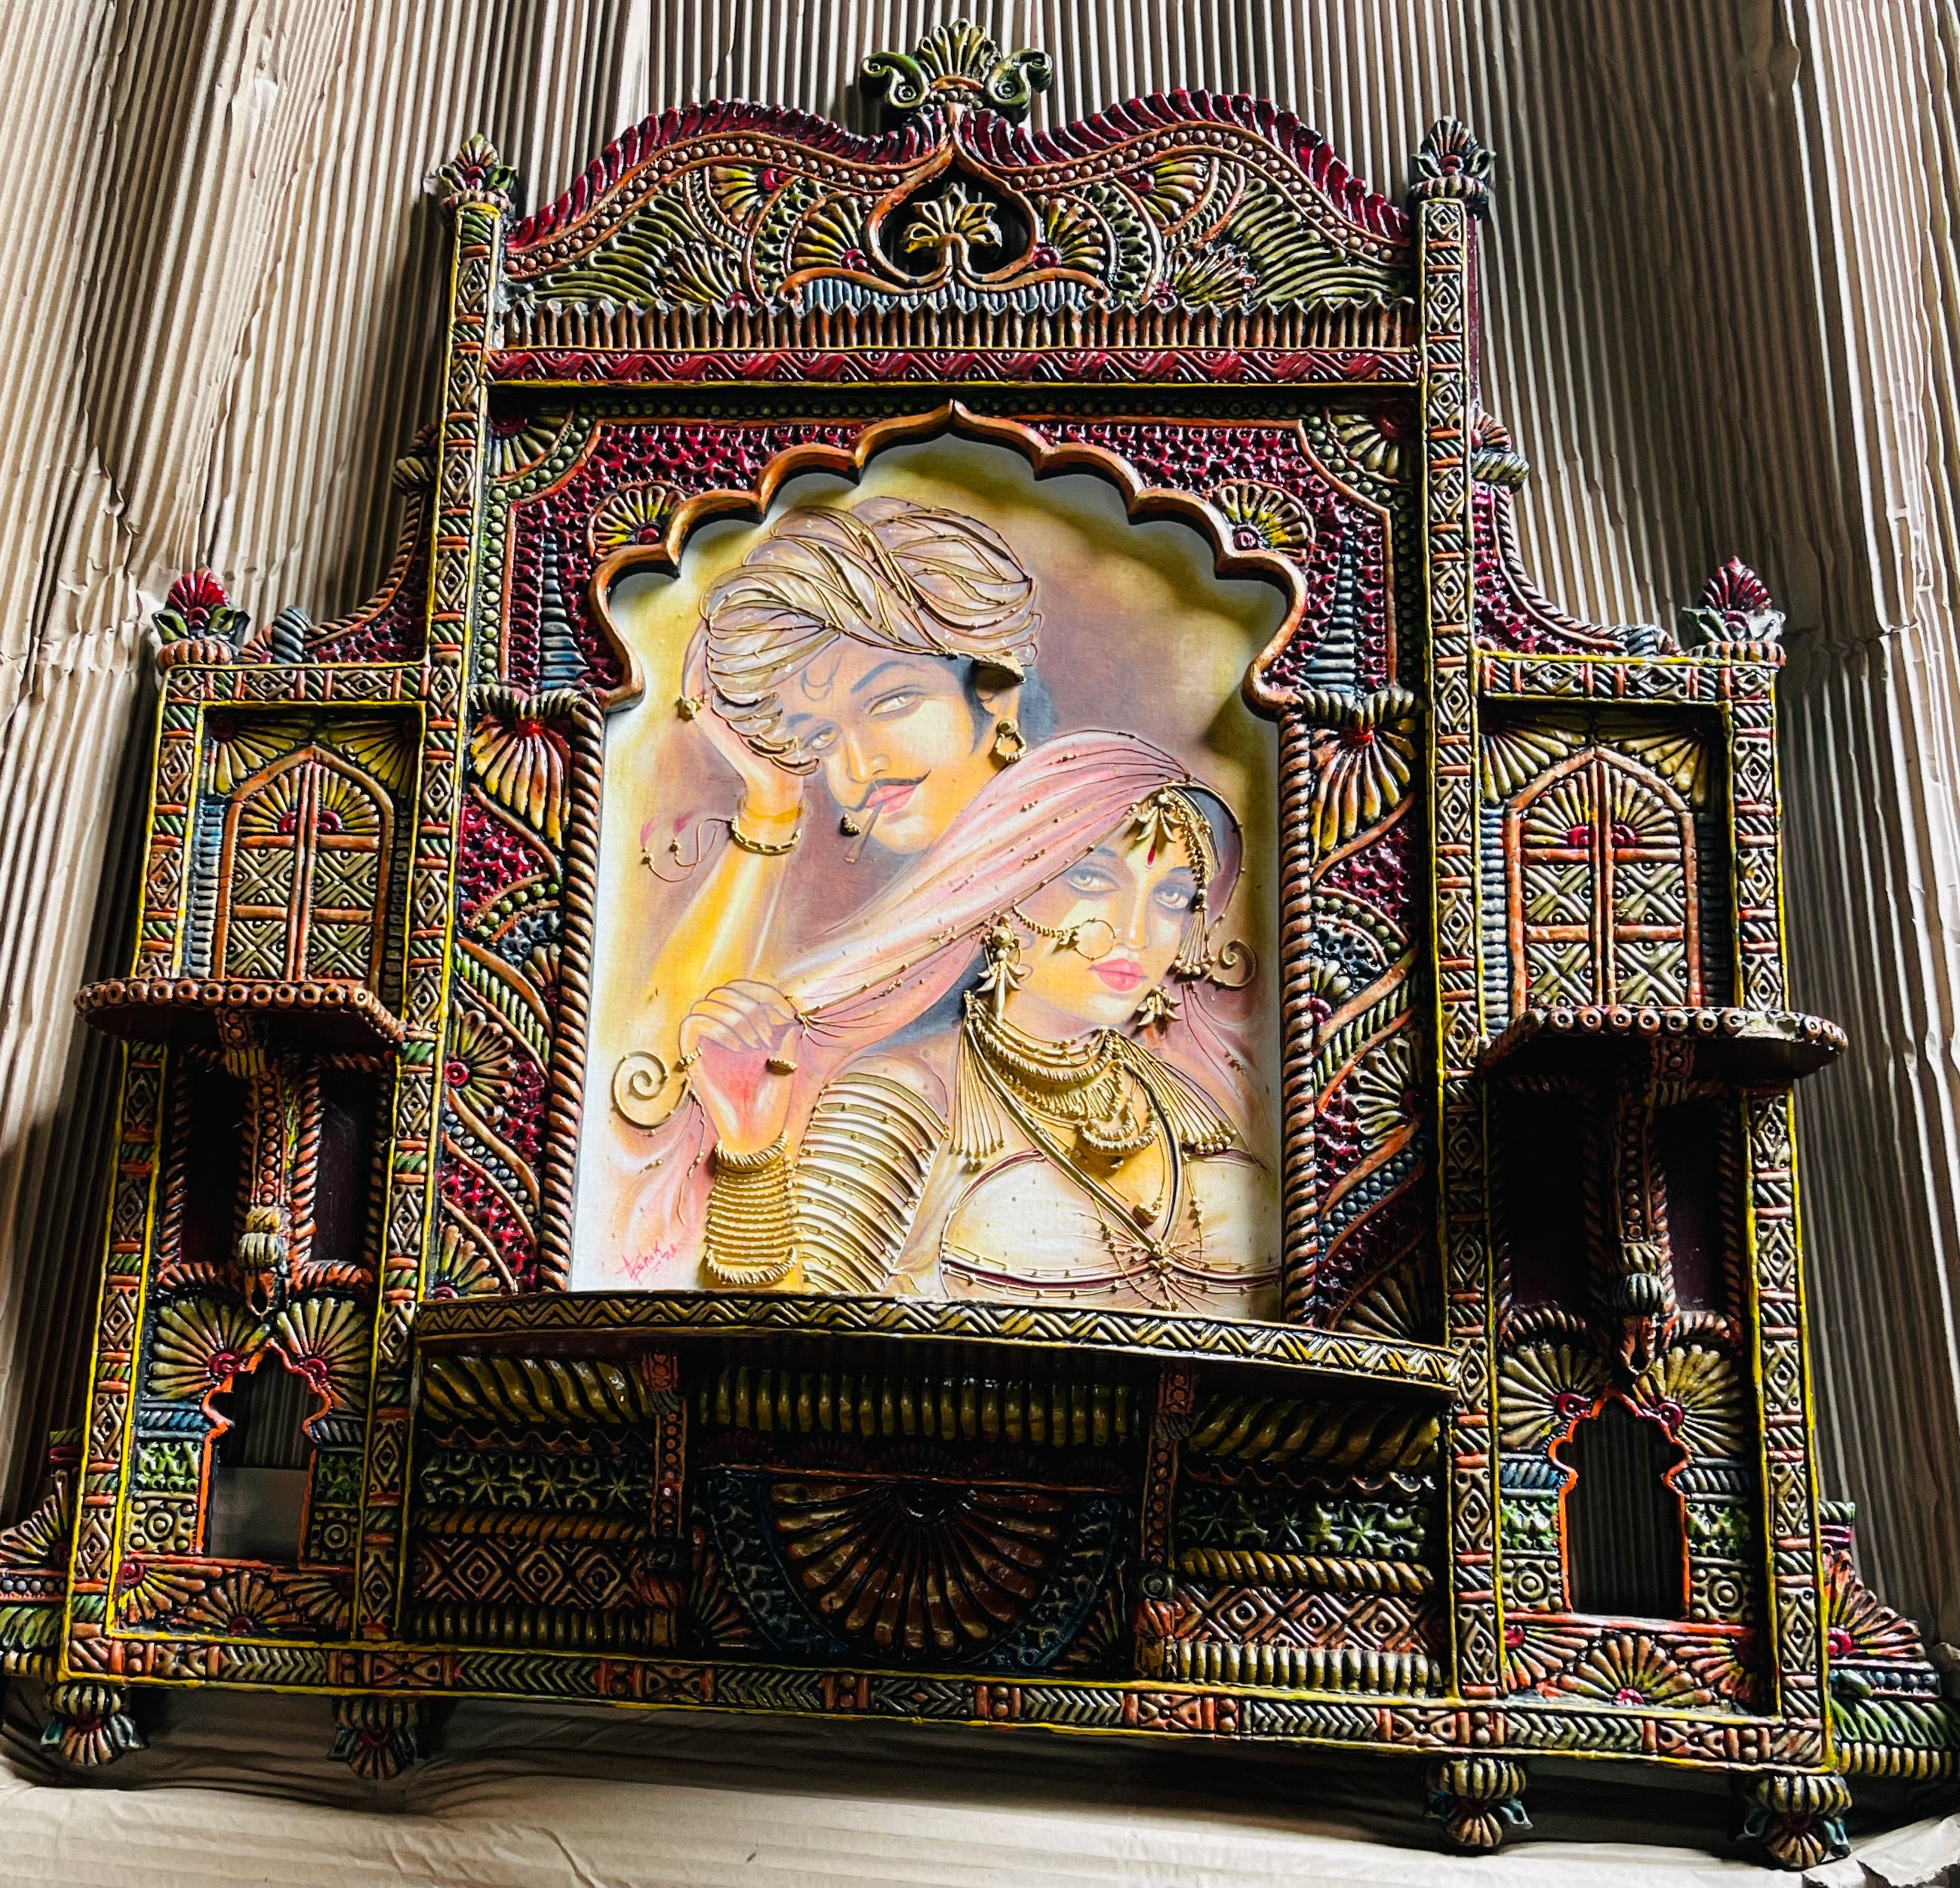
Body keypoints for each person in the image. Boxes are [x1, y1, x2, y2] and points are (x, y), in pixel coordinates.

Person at [675, 730, 1276, 1317]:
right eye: (1091, 880)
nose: (1136, 933)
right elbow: (789, 1350)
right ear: (1004, 890)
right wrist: (750, 1156)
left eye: (1171, 897)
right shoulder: (900, 1097)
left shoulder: (1184, 1097)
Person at [622, 497, 1045, 1126]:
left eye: (891, 702)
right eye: (818, 737)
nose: (857, 764)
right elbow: (651, 1079)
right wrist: (771, 800)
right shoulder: (895, 923)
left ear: (995, 692)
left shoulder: (1100, 854)